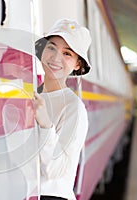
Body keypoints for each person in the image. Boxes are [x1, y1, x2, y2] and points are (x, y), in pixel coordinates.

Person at [33, 19, 92, 200]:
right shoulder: (30, 95)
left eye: (67, 53)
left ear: (77, 65)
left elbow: (55, 169)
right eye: (51, 48)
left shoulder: (74, 108)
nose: (56, 58)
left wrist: (46, 125)